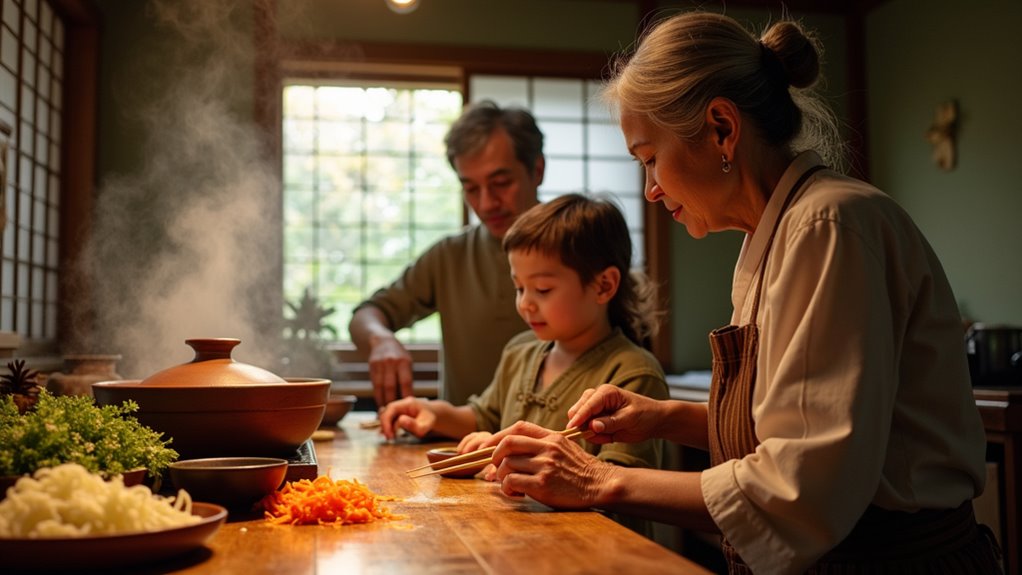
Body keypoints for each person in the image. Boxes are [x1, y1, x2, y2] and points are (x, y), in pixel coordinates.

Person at [482, 11, 1002, 574]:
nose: (651, 190)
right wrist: (661, 417)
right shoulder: (776, 234)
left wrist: (601, 479)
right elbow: (796, 424)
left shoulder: (828, 225)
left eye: (651, 158)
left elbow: (801, 482)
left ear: (722, 129)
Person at [378, 193, 669, 481]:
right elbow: (483, 417)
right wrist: (433, 413)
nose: (525, 303)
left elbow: (624, 485)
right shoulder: (521, 351)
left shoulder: (632, 374)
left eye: (542, 289)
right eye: (519, 288)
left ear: (603, 285)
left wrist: (531, 464)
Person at [349, 101, 543, 409]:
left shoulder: (579, 245)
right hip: (463, 448)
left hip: (561, 446)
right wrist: (380, 340)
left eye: (501, 183)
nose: (487, 203)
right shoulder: (450, 256)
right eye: (470, 189)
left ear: (537, 169)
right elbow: (366, 314)